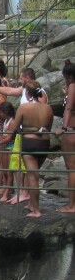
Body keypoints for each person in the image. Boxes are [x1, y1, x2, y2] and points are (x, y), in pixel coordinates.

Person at [10, 81, 54, 218]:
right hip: (44, 143)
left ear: (27, 93)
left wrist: (27, 129)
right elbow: (49, 128)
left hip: (29, 142)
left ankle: (36, 210)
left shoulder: (24, 107)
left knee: (33, 176)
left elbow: (15, 128)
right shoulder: (48, 108)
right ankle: (31, 205)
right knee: (34, 174)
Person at [58, 61, 75, 213]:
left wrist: (63, 128)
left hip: (71, 131)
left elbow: (69, 108)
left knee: (72, 169)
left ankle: (71, 205)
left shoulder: (72, 86)